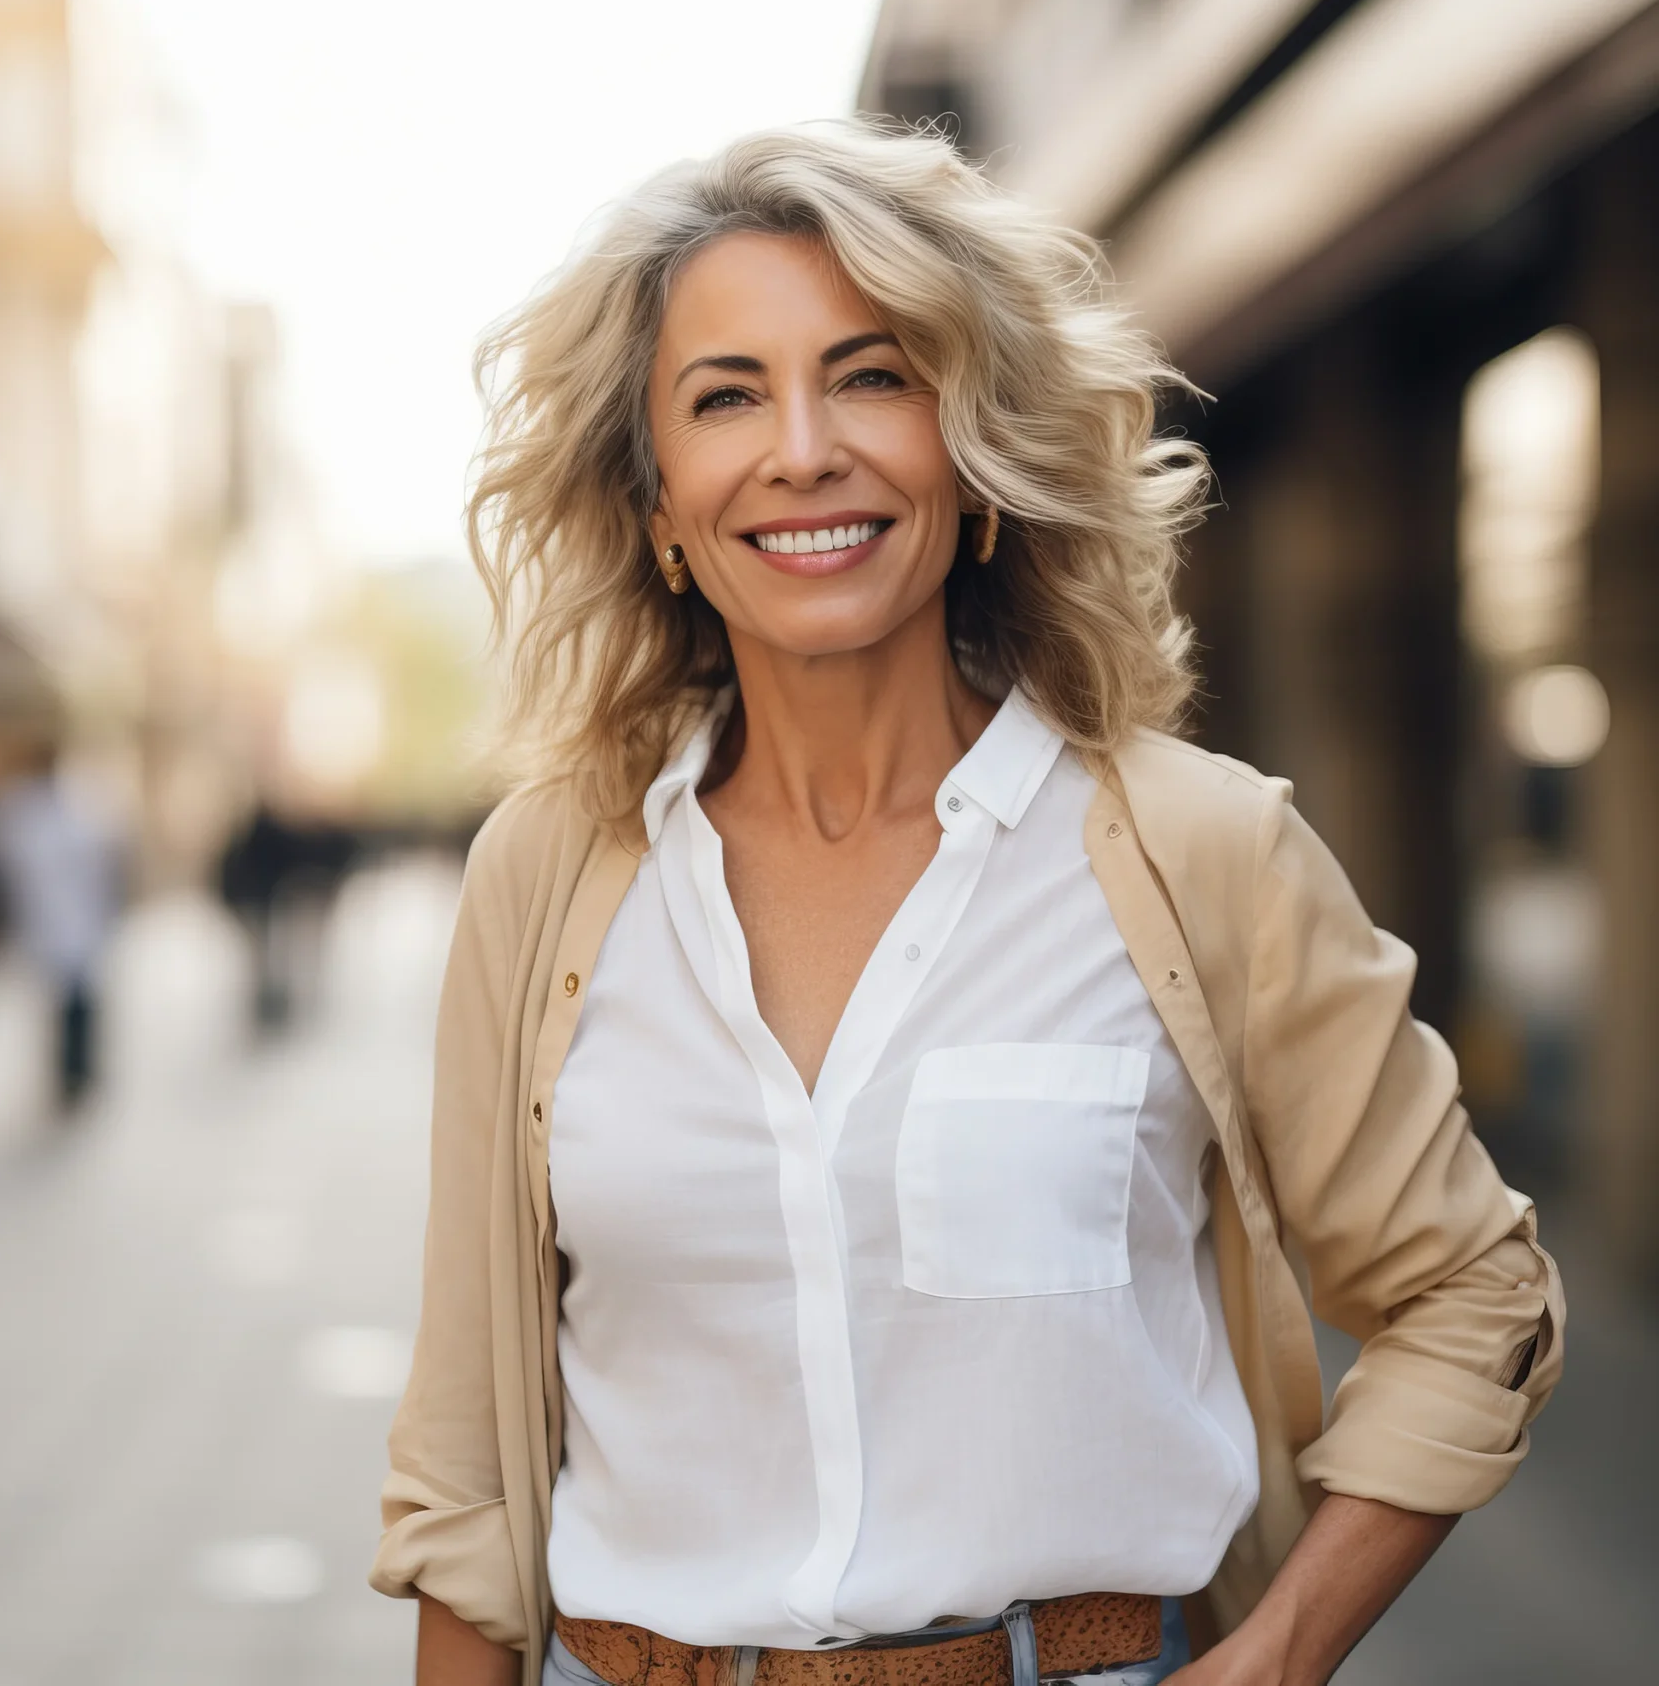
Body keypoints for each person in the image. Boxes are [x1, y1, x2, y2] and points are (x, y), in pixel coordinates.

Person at [375, 122, 1563, 1686]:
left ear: (976, 454)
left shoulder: (1197, 850)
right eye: (727, 396)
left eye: (872, 375)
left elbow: (1470, 1289)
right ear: (661, 503)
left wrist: (1278, 1654)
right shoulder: (545, 876)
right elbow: (467, 1464)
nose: (803, 448)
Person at [0, 746, 120, 1111]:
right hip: (53, 926)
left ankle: (79, 1073)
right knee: (63, 1005)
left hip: (74, 925)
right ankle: (69, 1075)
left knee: (79, 1005)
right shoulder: (30, 815)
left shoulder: (73, 810)